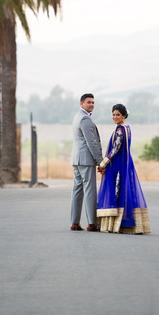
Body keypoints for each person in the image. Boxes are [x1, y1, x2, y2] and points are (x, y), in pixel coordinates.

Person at [97, 104, 150, 234]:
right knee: (124, 190)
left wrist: (104, 162)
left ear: (124, 116)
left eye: (118, 115)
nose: (115, 117)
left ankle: (115, 224)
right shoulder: (126, 127)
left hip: (118, 164)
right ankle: (124, 223)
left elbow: (116, 148)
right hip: (125, 162)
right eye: (113, 114)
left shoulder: (120, 129)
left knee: (116, 190)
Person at [70, 93, 103, 231]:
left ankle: (75, 222)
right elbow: (92, 142)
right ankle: (92, 223)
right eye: (89, 102)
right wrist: (100, 161)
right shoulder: (85, 119)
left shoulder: (77, 116)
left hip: (76, 159)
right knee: (90, 190)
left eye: (93, 102)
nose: (91, 105)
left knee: (77, 190)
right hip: (86, 160)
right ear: (81, 103)